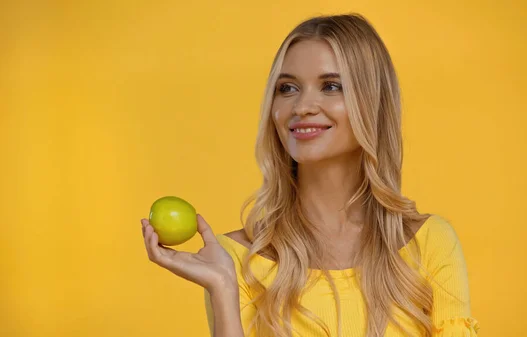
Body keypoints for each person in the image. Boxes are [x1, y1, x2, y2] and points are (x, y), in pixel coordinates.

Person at [141, 13, 479, 337]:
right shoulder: (235, 260)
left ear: (372, 103)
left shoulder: (430, 244)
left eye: (331, 86)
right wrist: (223, 288)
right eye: (287, 88)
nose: (302, 106)